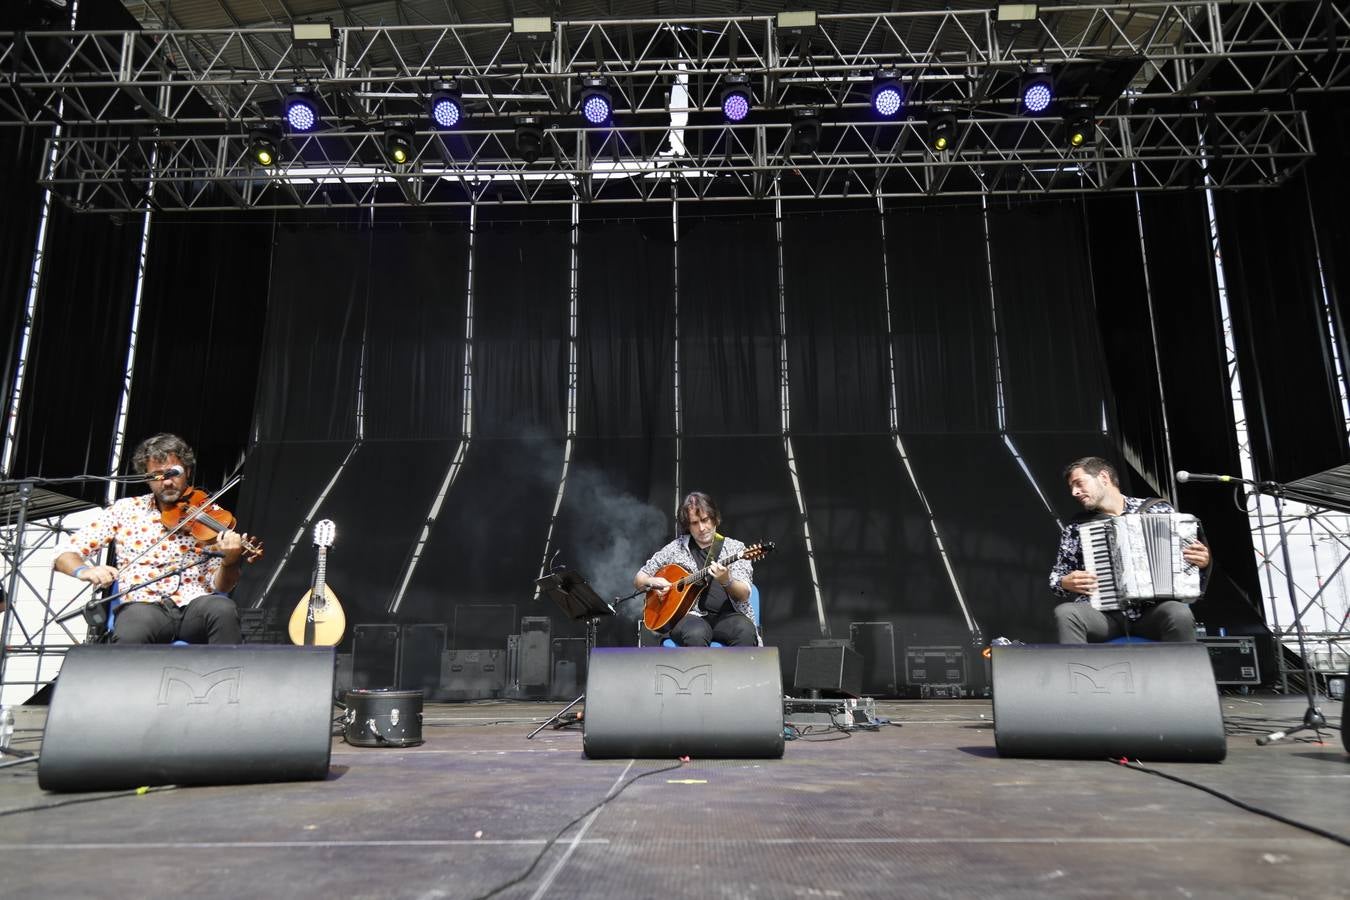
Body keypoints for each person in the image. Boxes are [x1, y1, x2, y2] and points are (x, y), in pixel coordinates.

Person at [53, 433, 245, 644]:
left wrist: (230, 561)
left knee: (222, 609)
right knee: (133, 629)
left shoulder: (209, 514)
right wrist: (84, 570)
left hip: (195, 605)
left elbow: (222, 586)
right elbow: (64, 553)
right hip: (144, 605)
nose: (168, 482)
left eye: (174, 473)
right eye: (158, 475)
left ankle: (226, 667)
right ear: (146, 477)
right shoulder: (126, 509)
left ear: (188, 471)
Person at [1050, 456, 1211, 643]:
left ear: (1104, 477)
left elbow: (1187, 563)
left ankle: (1183, 664)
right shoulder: (1077, 527)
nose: (1074, 492)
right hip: (1104, 615)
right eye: (1071, 487)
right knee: (1066, 613)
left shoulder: (1158, 510)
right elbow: (1057, 577)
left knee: (1179, 613)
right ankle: (1077, 664)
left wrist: (1201, 561)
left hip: (1153, 612)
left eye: (1079, 483)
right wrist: (1064, 582)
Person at [633, 491, 757, 647]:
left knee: (745, 631)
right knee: (696, 633)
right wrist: (652, 581)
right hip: (689, 617)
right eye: (694, 523)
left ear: (714, 518)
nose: (702, 528)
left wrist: (727, 581)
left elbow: (744, 595)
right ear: (687, 526)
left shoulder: (735, 548)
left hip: (727, 616)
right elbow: (639, 579)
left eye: (705, 520)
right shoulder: (676, 548)